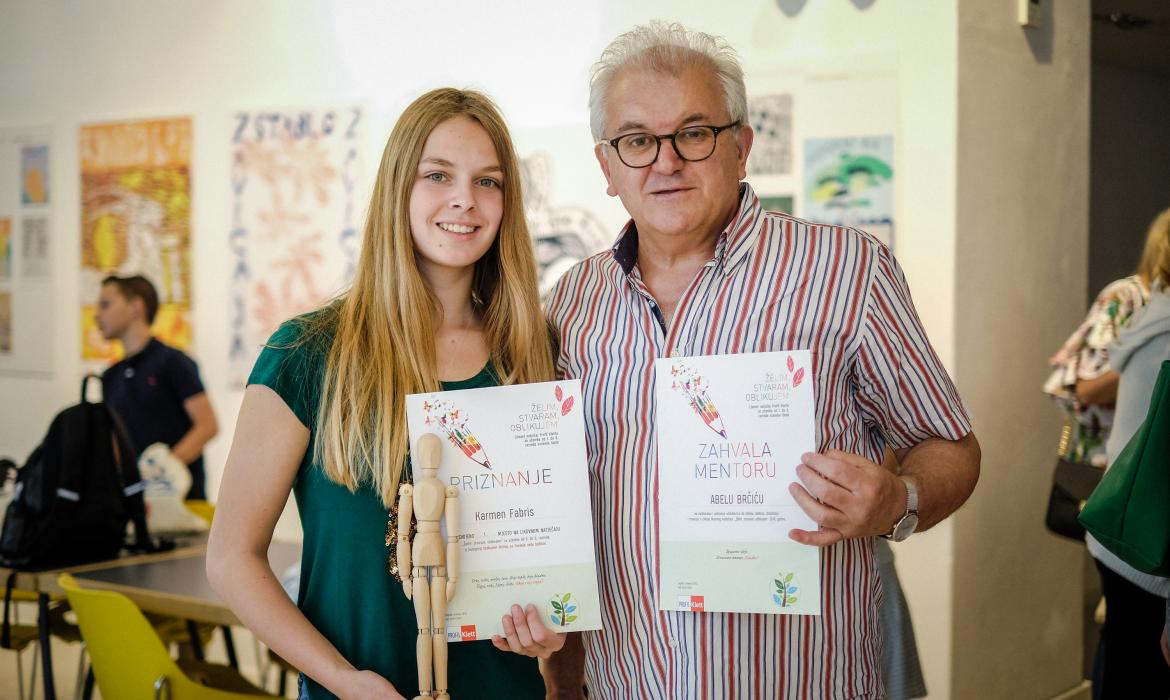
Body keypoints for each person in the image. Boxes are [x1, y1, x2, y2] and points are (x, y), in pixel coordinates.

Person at [543, 22, 980, 698]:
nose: (665, 162)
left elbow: (949, 444)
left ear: (742, 146)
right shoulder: (574, 302)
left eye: (693, 133)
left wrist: (899, 499)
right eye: (637, 141)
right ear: (607, 167)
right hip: (627, 681)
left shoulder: (846, 269)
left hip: (802, 679)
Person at [206, 88, 566, 700]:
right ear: (398, 186)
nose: (464, 200)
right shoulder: (307, 355)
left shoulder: (535, 354)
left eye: (488, 181)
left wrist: (548, 628)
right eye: (438, 175)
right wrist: (345, 682)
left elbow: (550, 568)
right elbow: (231, 559)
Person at [1085, 207, 1170, 698]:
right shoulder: (1128, 301)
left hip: (1121, 529)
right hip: (1153, 545)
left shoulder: (1148, 313)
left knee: (1120, 657)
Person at [96, 274, 218, 499]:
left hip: (180, 503)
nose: (97, 315)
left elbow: (207, 425)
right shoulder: (110, 376)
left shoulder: (173, 362)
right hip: (133, 502)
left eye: (105, 304)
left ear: (136, 307)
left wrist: (163, 470)